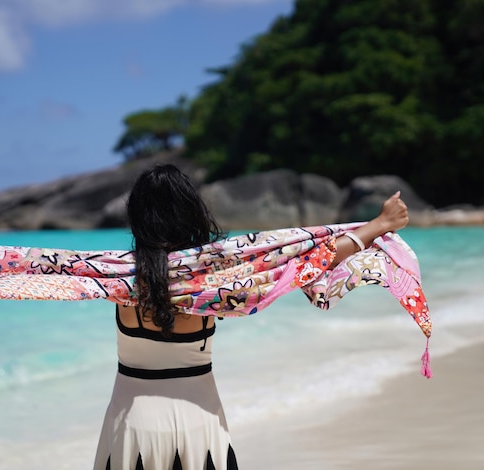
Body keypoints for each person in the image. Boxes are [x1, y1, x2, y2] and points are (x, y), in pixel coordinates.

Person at [93, 164, 409, 470]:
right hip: (197, 426)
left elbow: (49, 273)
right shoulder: (216, 280)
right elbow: (307, 262)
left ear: (137, 217)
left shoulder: (117, 276)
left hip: (129, 426)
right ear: (190, 212)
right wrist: (379, 224)